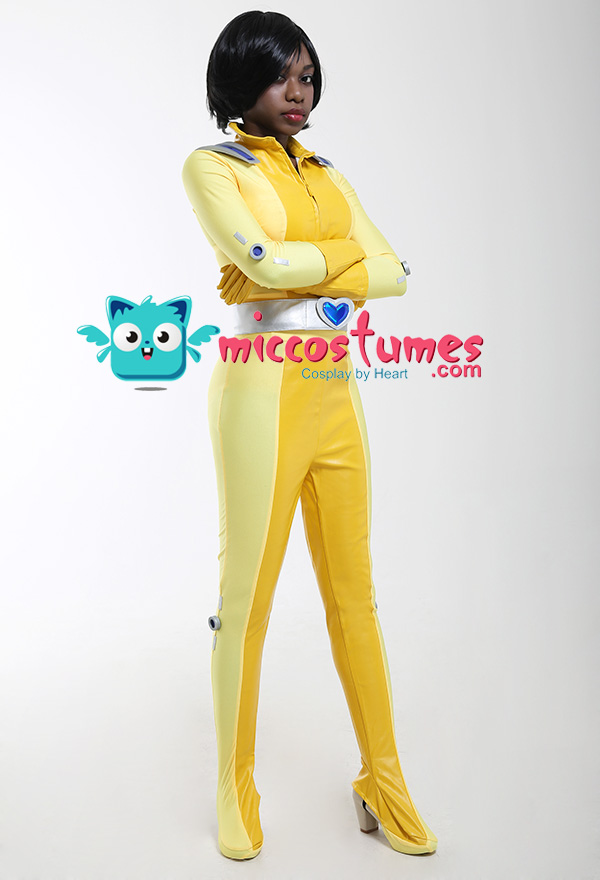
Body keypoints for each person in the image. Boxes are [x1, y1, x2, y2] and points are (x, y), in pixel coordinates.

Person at [181, 10, 437, 861]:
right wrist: (339, 262)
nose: (301, 92)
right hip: (260, 389)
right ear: (240, 78)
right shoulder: (213, 166)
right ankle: (234, 784)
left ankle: (384, 780)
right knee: (245, 602)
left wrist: (305, 263)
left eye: (309, 76)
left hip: (335, 389)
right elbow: (262, 260)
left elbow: (396, 273)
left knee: (356, 597)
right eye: (283, 75)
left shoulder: (329, 172)